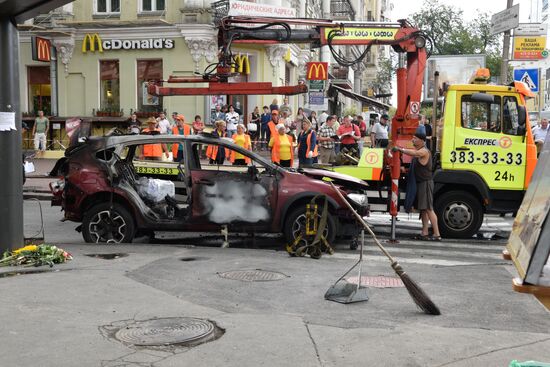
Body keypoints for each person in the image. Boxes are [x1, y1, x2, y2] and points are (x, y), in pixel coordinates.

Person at [393, 132, 441, 241]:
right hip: (420, 183)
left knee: (429, 208)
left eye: (415, 138)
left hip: (426, 183)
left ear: (422, 141)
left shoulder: (424, 151)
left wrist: (400, 149)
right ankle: (424, 233)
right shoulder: (420, 151)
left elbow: (414, 154)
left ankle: (437, 234)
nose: (413, 140)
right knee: (423, 209)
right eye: (413, 138)